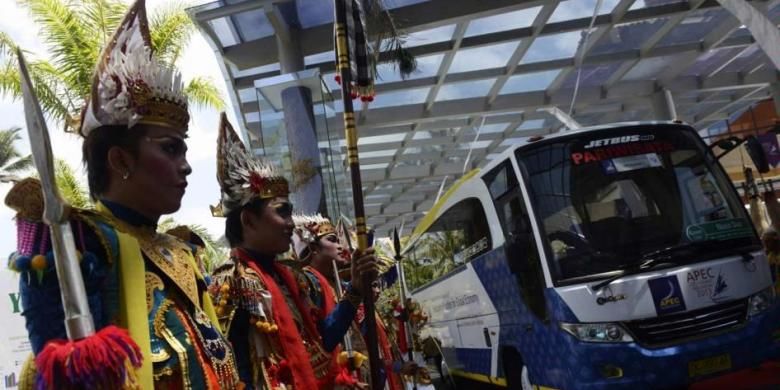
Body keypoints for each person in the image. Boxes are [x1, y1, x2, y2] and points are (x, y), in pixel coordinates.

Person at [5, 1, 239, 388]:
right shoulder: (83, 243)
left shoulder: (183, 250)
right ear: (120, 160)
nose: (186, 165)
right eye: (170, 148)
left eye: (183, 149)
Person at [209, 114, 378, 389]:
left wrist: (356, 289)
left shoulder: (294, 279)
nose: (290, 223)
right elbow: (230, 373)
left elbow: (321, 341)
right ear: (248, 220)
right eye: (282, 212)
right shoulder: (230, 283)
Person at [293, 214, 406, 390]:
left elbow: (365, 337)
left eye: (339, 240)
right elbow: (322, 340)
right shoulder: (307, 283)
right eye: (332, 240)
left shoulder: (342, 285)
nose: (340, 246)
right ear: (314, 248)